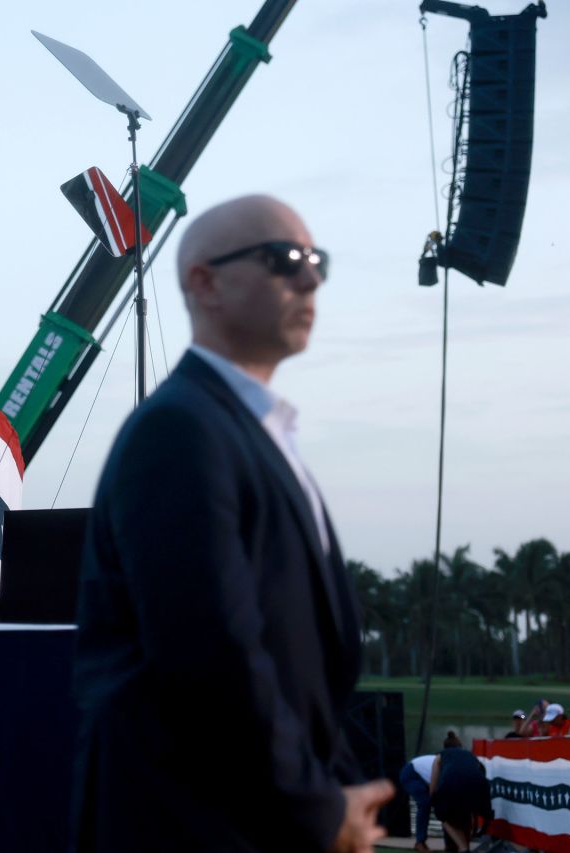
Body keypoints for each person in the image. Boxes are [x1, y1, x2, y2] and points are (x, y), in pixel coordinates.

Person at [71, 195, 393, 852]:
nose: (310, 279)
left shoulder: (248, 431)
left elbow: (291, 665)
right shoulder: (179, 432)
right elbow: (210, 656)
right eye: (284, 260)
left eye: (316, 261)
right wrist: (319, 809)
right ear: (204, 282)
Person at [430, 733, 491, 853]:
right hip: (479, 785)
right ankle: (465, 846)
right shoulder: (471, 756)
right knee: (466, 813)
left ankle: (463, 848)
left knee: (443, 817)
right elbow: (480, 774)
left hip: (452, 783)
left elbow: (433, 787)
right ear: (460, 746)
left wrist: (434, 801)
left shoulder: (440, 756)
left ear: (445, 747)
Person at [399, 754, 437, 853]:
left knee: (445, 805)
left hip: (423, 774)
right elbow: (433, 787)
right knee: (424, 805)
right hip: (411, 774)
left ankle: (450, 843)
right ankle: (420, 843)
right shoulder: (443, 769)